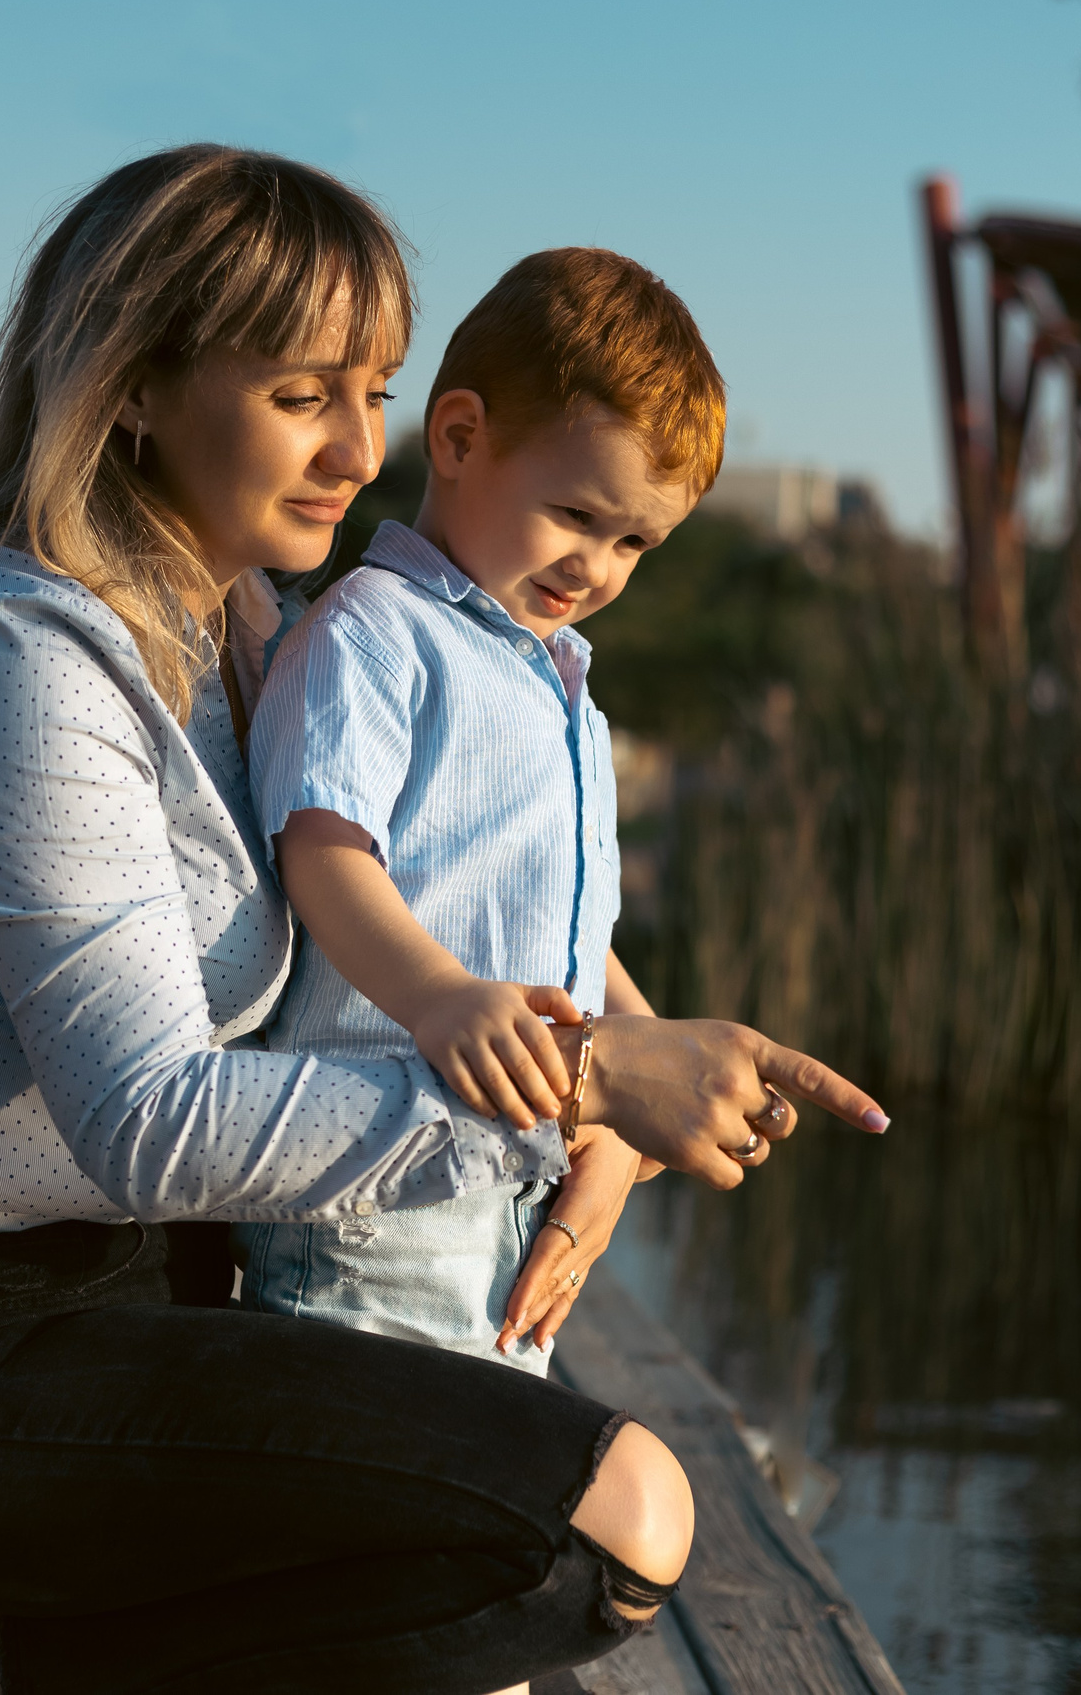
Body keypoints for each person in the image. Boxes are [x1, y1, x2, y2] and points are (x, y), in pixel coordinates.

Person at [0, 144, 890, 1695]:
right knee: (606, 1522)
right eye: (306, 394)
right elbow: (147, 1119)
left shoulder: (257, 636)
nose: (365, 447)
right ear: (136, 383)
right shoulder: (13, 659)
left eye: (377, 388)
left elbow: (461, 872)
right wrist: (585, 1086)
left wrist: (635, 1039)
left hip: (167, 1297)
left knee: (542, 1532)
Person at [235, 248, 730, 1376]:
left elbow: (567, 927)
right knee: (405, 1503)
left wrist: (644, 1054)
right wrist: (440, 995)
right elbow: (323, 850)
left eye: (634, 542)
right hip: (366, 1204)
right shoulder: (374, 633)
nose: (597, 565)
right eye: (576, 514)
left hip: (500, 1189)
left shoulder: (558, 685)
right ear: (457, 440)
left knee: (481, 1499)